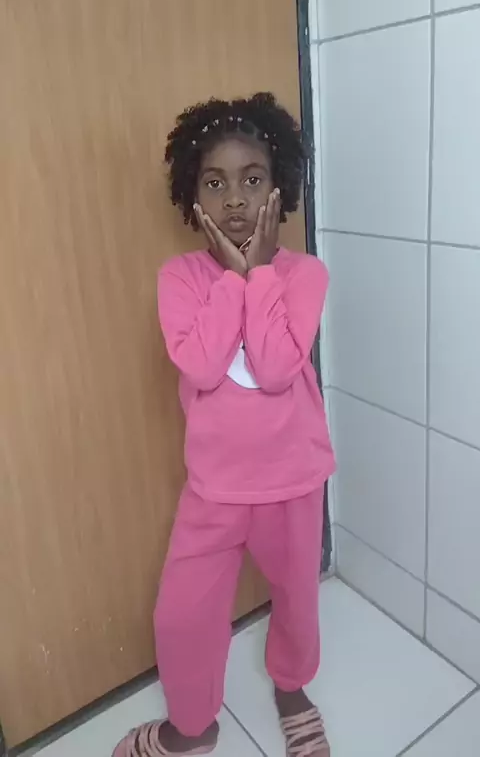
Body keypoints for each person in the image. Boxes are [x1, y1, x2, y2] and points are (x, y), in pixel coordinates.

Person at [113, 92, 335, 757]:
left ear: (280, 186)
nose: (235, 199)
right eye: (215, 183)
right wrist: (234, 284)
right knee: (181, 616)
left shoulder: (305, 274)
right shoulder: (180, 278)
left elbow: (276, 368)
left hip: (293, 480)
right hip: (213, 489)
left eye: (252, 179)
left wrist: (260, 275)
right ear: (192, 196)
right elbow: (204, 366)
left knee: (296, 600)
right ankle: (192, 726)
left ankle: (292, 689)